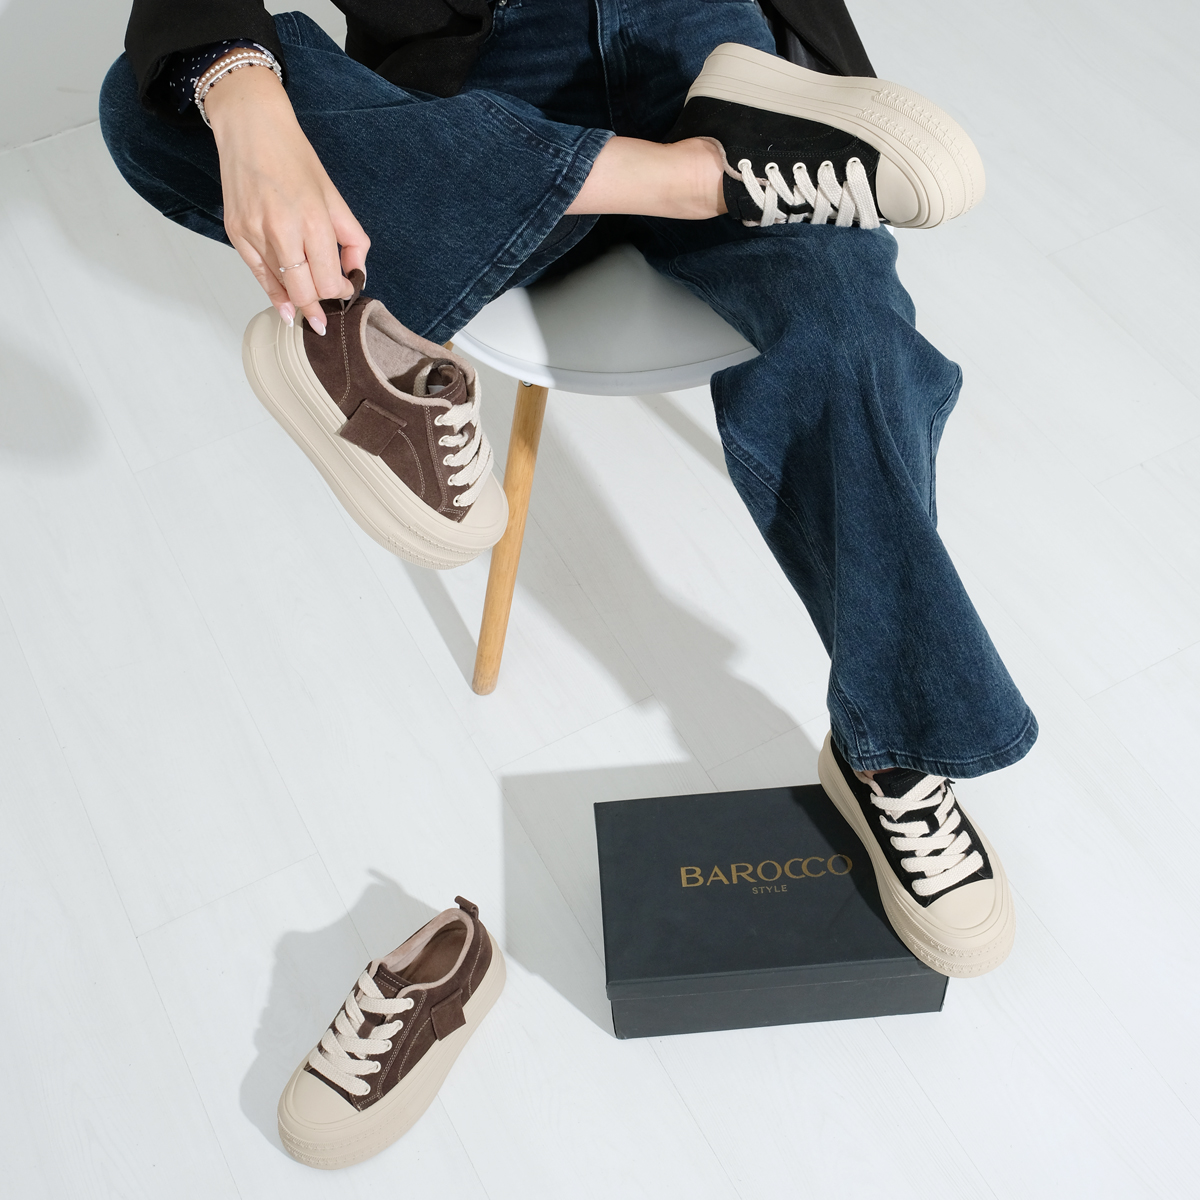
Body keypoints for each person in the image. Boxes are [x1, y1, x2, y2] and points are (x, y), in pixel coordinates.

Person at [99, 0, 1037, 982]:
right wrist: (244, 93)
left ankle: (895, 748)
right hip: (478, 75)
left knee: (852, 342)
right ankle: (694, 180)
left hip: (702, 52)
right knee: (156, 98)